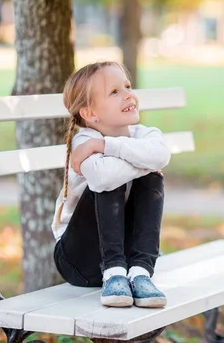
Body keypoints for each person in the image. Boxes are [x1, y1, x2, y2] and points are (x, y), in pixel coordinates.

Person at [51, 61, 171, 308]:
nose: (128, 94)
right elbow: (104, 177)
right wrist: (143, 160)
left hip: (127, 255)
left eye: (127, 86)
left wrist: (106, 146)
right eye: (114, 92)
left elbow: (161, 157)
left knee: (151, 176)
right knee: (111, 178)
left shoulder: (145, 135)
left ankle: (141, 274)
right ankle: (113, 272)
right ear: (90, 113)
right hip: (78, 259)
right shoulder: (84, 140)